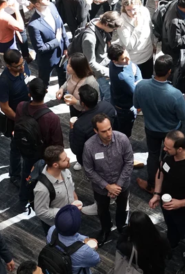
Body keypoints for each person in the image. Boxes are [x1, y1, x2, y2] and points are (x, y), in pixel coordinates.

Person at [133, 56, 185, 192]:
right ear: (169, 71)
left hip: (151, 128)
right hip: (171, 132)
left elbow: (136, 105)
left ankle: (152, 184)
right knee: (170, 157)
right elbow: (183, 116)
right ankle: (168, 184)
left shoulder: (140, 85)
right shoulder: (175, 94)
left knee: (152, 156)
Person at [83, 115, 133, 243]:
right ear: (96, 131)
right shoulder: (89, 146)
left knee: (122, 207)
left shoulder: (122, 139)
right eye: (104, 131)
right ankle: (106, 229)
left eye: (109, 129)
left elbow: (129, 162)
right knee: (102, 210)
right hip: (101, 188)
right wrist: (107, 186)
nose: (108, 133)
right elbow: (89, 170)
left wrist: (118, 185)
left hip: (122, 185)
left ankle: (121, 226)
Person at [26, 0, 69, 89]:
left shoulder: (52, 6)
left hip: (62, 53)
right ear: (37, 4)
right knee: (44, 83)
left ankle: (63, 93)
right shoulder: (33, 25)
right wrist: (57, 41)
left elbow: (61, 26)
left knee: (64, 75)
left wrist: (66, 46)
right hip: (47, 60)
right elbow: (40, 48)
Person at [32, 146, 80, 230]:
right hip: (56, 225)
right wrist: (66, 210)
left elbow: (71, 188)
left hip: (71, 216)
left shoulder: (66, 171)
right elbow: (41, 212)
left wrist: (75, 200)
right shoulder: (42, 188)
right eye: (64, 160)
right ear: (55, 165)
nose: (68, 159)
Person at [45, 205, 101, 274]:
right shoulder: (83, 252)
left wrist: (84, 239)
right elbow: (96, 260)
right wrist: (91, 247)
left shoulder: (52, 230)